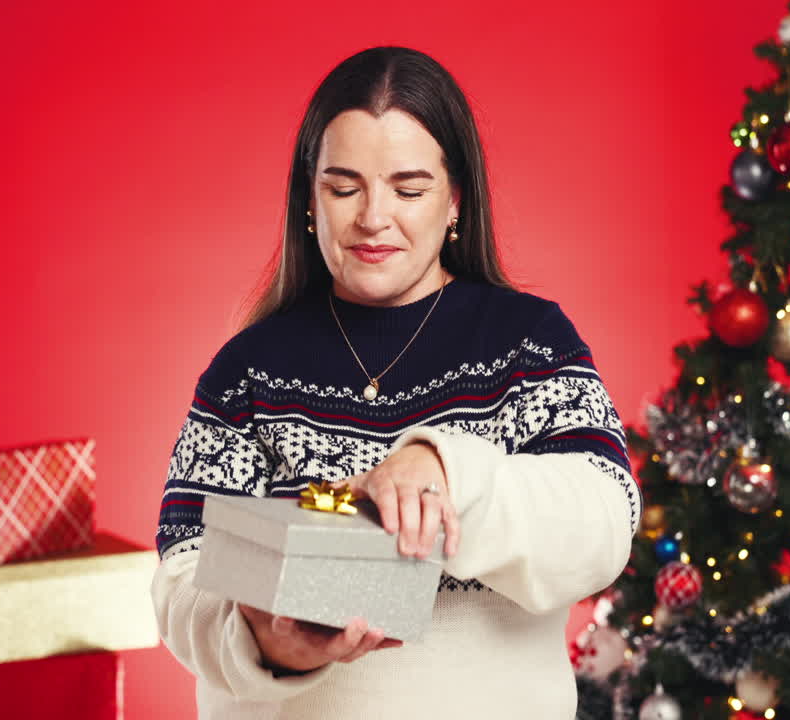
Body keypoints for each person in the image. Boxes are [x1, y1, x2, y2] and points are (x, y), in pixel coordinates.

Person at [151, 45, 641, 719]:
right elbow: (184, 572)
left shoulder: (528, 343)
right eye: (344, 188)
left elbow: (605, 520)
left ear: (454, 201)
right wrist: (263, 640)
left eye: (408, 190)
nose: (373, 217)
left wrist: (442, 470)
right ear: (309, 201)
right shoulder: (247, 369)